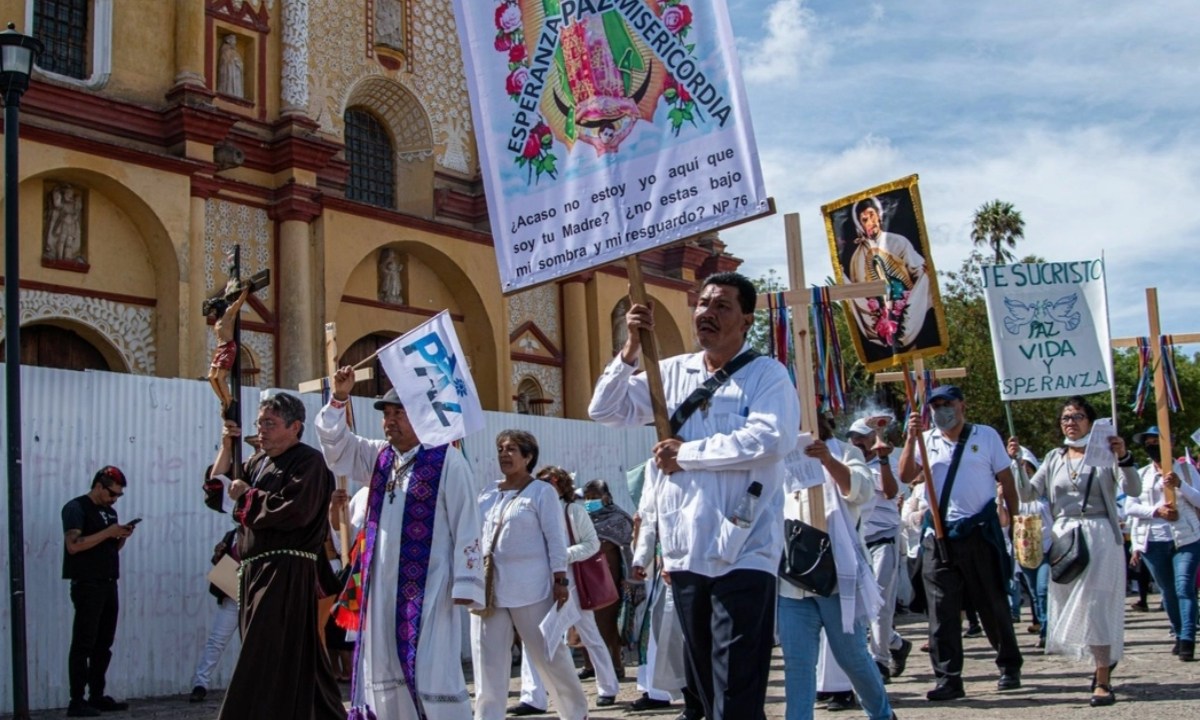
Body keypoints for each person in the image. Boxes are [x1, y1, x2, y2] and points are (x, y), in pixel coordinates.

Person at [589, 271, 801, 719]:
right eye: (702, 304)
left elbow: (770, 439)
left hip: (744, 550)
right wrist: (630, 348)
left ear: (746, 320)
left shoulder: (767, 375)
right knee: (704, 690)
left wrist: (689, 455)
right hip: (687, 553)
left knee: (737, 689)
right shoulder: (669, 371)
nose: (707, 313)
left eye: (721, 305)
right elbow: (604, 410)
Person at [316, 369, 485, 719]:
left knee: (430, 665)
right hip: (380, 587)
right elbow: (336, 448)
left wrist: (467, 583)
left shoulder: (446, 461)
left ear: (421, 416)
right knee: (383, 663)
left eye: (399, 413)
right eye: (386, 415)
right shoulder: (379, 457)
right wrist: (339, 398)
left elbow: (467, 523)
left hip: (431, 586)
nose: (390, 421)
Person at [207, 392, 345, 720]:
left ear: (295, 427)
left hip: (287, 570)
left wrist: (248, 496)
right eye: (260, 423)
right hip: (254, 570)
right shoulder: (256, 462)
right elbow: (218, 492)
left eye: (271, 423)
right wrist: (227, 447)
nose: (263, 430)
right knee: (291, 653)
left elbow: (294, 511)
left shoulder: (308, 462)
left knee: (264, 650)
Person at [1009, 397, 1138, 705]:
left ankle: (1103, 678)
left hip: (1100, 535)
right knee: (1070, 605)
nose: (1071, 421)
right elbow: (1028, 492)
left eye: (1078, 416)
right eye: (1066, 417)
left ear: (1090, 423)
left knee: (1095, 607)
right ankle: (1102, 657)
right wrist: (1015, 463)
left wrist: (1124, 457)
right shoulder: (1055, 457)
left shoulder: (1104, 454)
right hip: (1065, 536)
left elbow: (1132, 489)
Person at [898, 385, 1022, 701]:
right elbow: (905, 474)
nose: (941, 410)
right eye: (935, 405)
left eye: (946, 403)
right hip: (938, 535)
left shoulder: (986, 436)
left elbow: (1006, 480)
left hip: (978, 532)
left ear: (961, 405)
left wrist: (1016, 521)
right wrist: (911, 437)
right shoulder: (927, 441)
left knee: (992, 603)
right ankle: (948, 678)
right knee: (941, 612)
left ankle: (1009, 664)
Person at [777, 421, 894, 720]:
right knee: (798, 663)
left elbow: (862, 492)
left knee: (852, 657)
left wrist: (828, 461)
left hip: (837, 576)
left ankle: (881, 714)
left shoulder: (846, 451)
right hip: (794, 580)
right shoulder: (778, 455)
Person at [472, 430, 590, 720]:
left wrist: (560, 580)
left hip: (532, 587)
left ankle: (575, 713)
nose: (504, 454)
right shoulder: (487, 493)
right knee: (487, 659)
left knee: (548, 655)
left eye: (512, 449)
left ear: (528, 457)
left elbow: (555, 540)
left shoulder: (542, 492)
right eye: (500, 448)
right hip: (489, 589)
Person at [514, 467, 619, 714]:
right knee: (536, 638)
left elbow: (591, 545)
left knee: (588, 636)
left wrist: (560, 557)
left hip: (572, 584)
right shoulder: (531, 509)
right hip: (541, 584)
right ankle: (533, 697)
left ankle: (607, 688)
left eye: (547, 483)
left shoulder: (573, 511)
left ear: (560, 486)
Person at [61, 466, 136, 718]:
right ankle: (76, 699)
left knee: (104, 643)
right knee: (84, 642)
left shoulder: (110, 513)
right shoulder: (76, 508)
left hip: (107, 582)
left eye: (118, 497)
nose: (114, 500)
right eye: (112, 494)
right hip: (87, 584)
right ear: (98, 486)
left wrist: (121, 536)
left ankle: (96, 694)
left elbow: (107, 549)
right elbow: (73, 545)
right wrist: (108, 532)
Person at [1125, 426, 1200, 662]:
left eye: (1157, 441)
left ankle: (1188, 637)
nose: (1153, 446)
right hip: (1154, 540)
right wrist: (1156, 511)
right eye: (1148, 443)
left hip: (1186, 537)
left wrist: (1180, 485)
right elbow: (1130, 507)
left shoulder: (1186, 471)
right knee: (1168, 591)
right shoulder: (1143, 474)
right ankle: (1178, 632)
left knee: (1184, 587)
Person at [845, 418, 913, 681]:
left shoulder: (888, 462)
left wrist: (883, 460)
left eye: (862, 437)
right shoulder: (850, 463)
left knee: (880, 604)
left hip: (884, 538)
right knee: (861, 605)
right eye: (853, 437)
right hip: (857, 541)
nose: (857, 442)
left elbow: (891, 491)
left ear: (874, 438)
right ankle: (896, 643)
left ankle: (880, 662)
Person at [843, 196, 934, 355]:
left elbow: (918, 269)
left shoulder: (898, 242)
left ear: (879, 215)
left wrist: (923, 275)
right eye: (864, 219)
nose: (870, 222)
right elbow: (857, 291)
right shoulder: (858, 256)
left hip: (905, 306)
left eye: (871, 215)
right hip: (877, 315)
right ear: (860, 224)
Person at [579, 478, 633, 682]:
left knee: (609, 625)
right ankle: (589, 665)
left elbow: (623, 546)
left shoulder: (618, 518)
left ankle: (617, 666)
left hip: (609, 579)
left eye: (595, 497)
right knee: (583, 624)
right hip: (584, 578)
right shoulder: (580, 518)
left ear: (607, 497)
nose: (590, 501)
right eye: (587, 497)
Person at [1001, 447, 1052, 650]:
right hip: (1025, 549)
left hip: (1047, 546)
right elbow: (1004, 522)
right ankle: (1043, 629)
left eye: (1025, 466)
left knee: (1043, 589)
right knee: (1033, 592)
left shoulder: (1044, 493)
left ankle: (1049, 630)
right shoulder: (1011, 497)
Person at [188, 528, 239, 704]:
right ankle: (200, 684)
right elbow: (220, 562)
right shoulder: (232, 535)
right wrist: (218, 555)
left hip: (254, 595)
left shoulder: (265, 533)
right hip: (231, 594)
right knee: (217, 640)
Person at [203, 284, 251, 414]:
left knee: (220, 377)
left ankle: (228, 399)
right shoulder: (218, 320)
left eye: (213, 309)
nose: (212, 312)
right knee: (211, 377)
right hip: (220, 348)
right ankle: (222, 399)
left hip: (228, 347)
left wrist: (246, 290)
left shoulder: (229, 314)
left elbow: (238, 303)